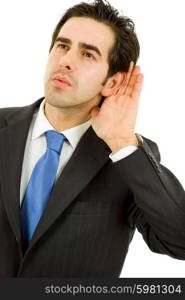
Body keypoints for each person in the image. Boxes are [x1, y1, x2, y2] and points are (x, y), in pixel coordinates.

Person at [0, 0, 185, 277]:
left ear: (112, 83)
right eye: (63, 46)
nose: (66, 61)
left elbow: (179, 241)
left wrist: (122, 141)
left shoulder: (126, 158)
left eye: (87, 55)